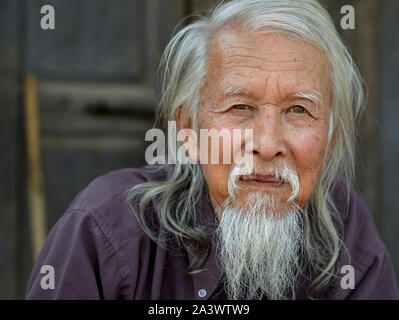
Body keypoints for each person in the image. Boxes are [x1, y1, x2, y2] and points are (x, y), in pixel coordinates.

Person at [26, 0, 399, 300]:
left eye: (298, 110)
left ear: (330, 135)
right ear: (188, 129)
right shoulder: (105, 230)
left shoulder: (345, 232)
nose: (267, 145)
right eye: (240, 107)